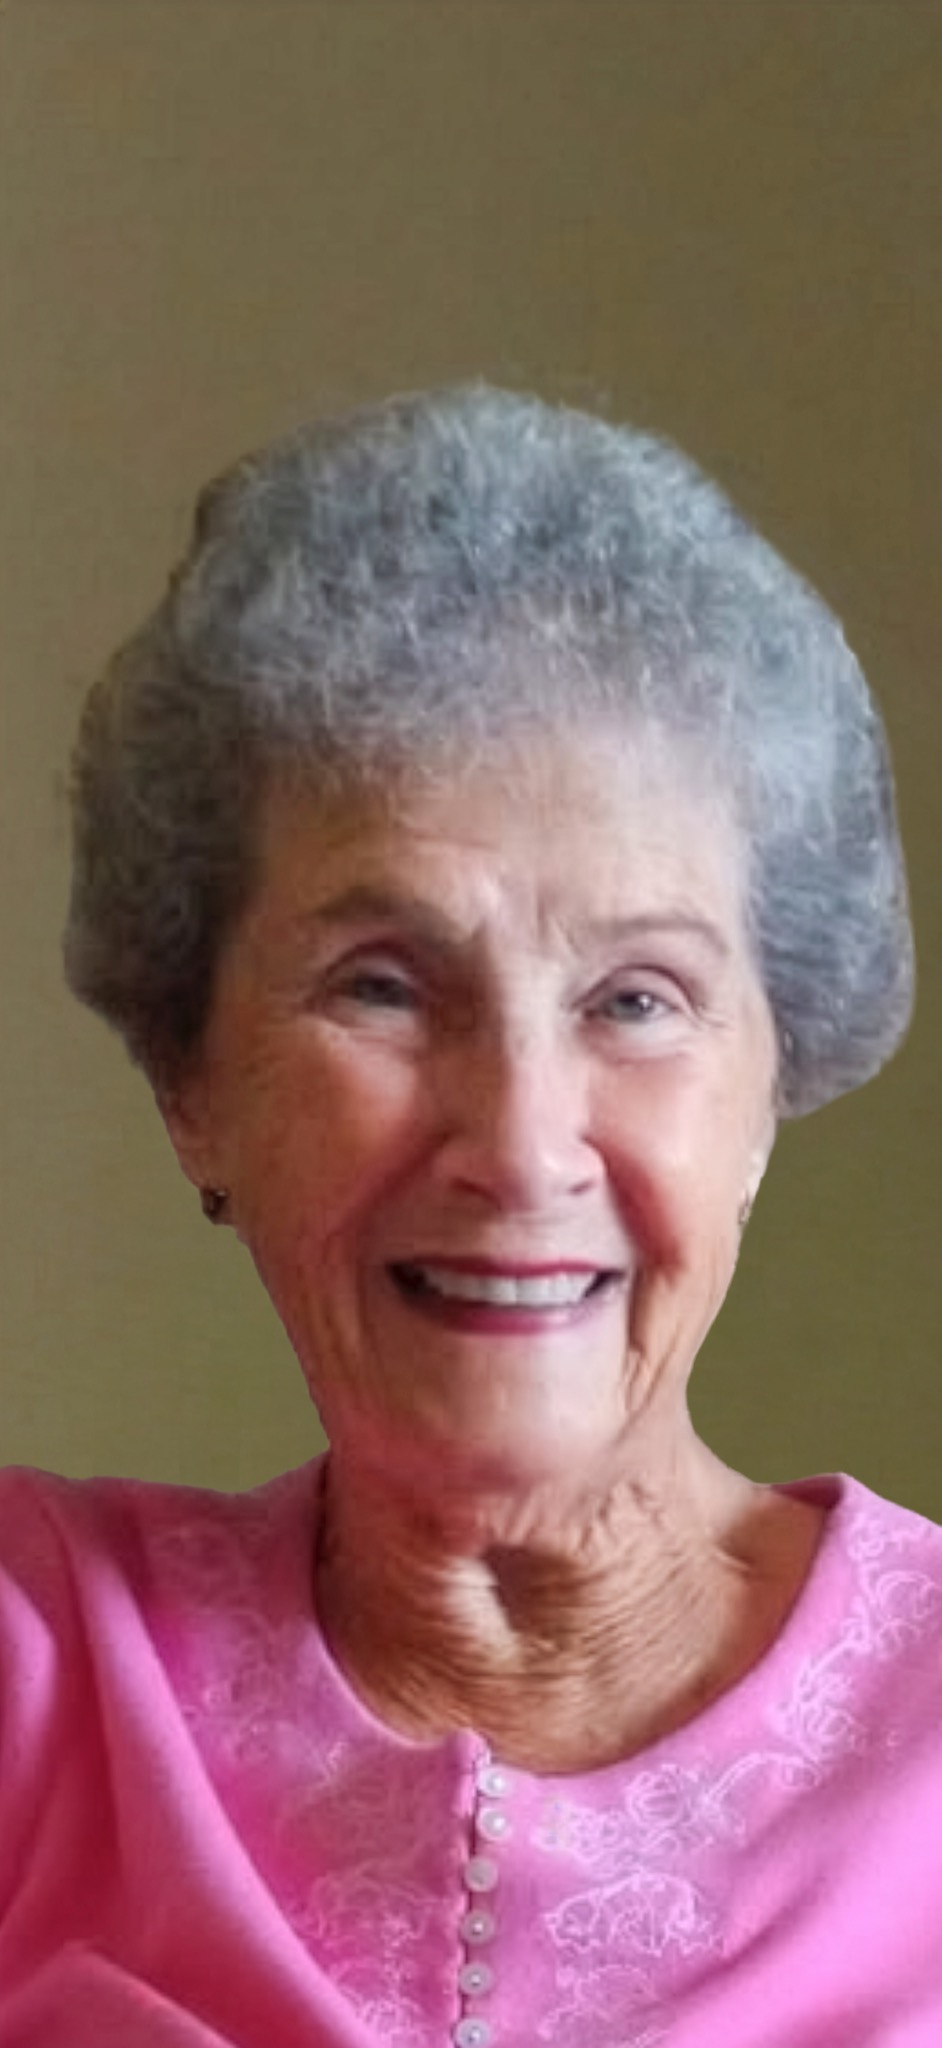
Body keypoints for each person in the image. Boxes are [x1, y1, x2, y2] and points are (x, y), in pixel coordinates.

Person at [0, 385, 936, 2048]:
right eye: (382, 985)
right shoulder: (40, 1667)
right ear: (189, 1081)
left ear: (763, 1089)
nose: (517, 1145)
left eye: (636, 1000)